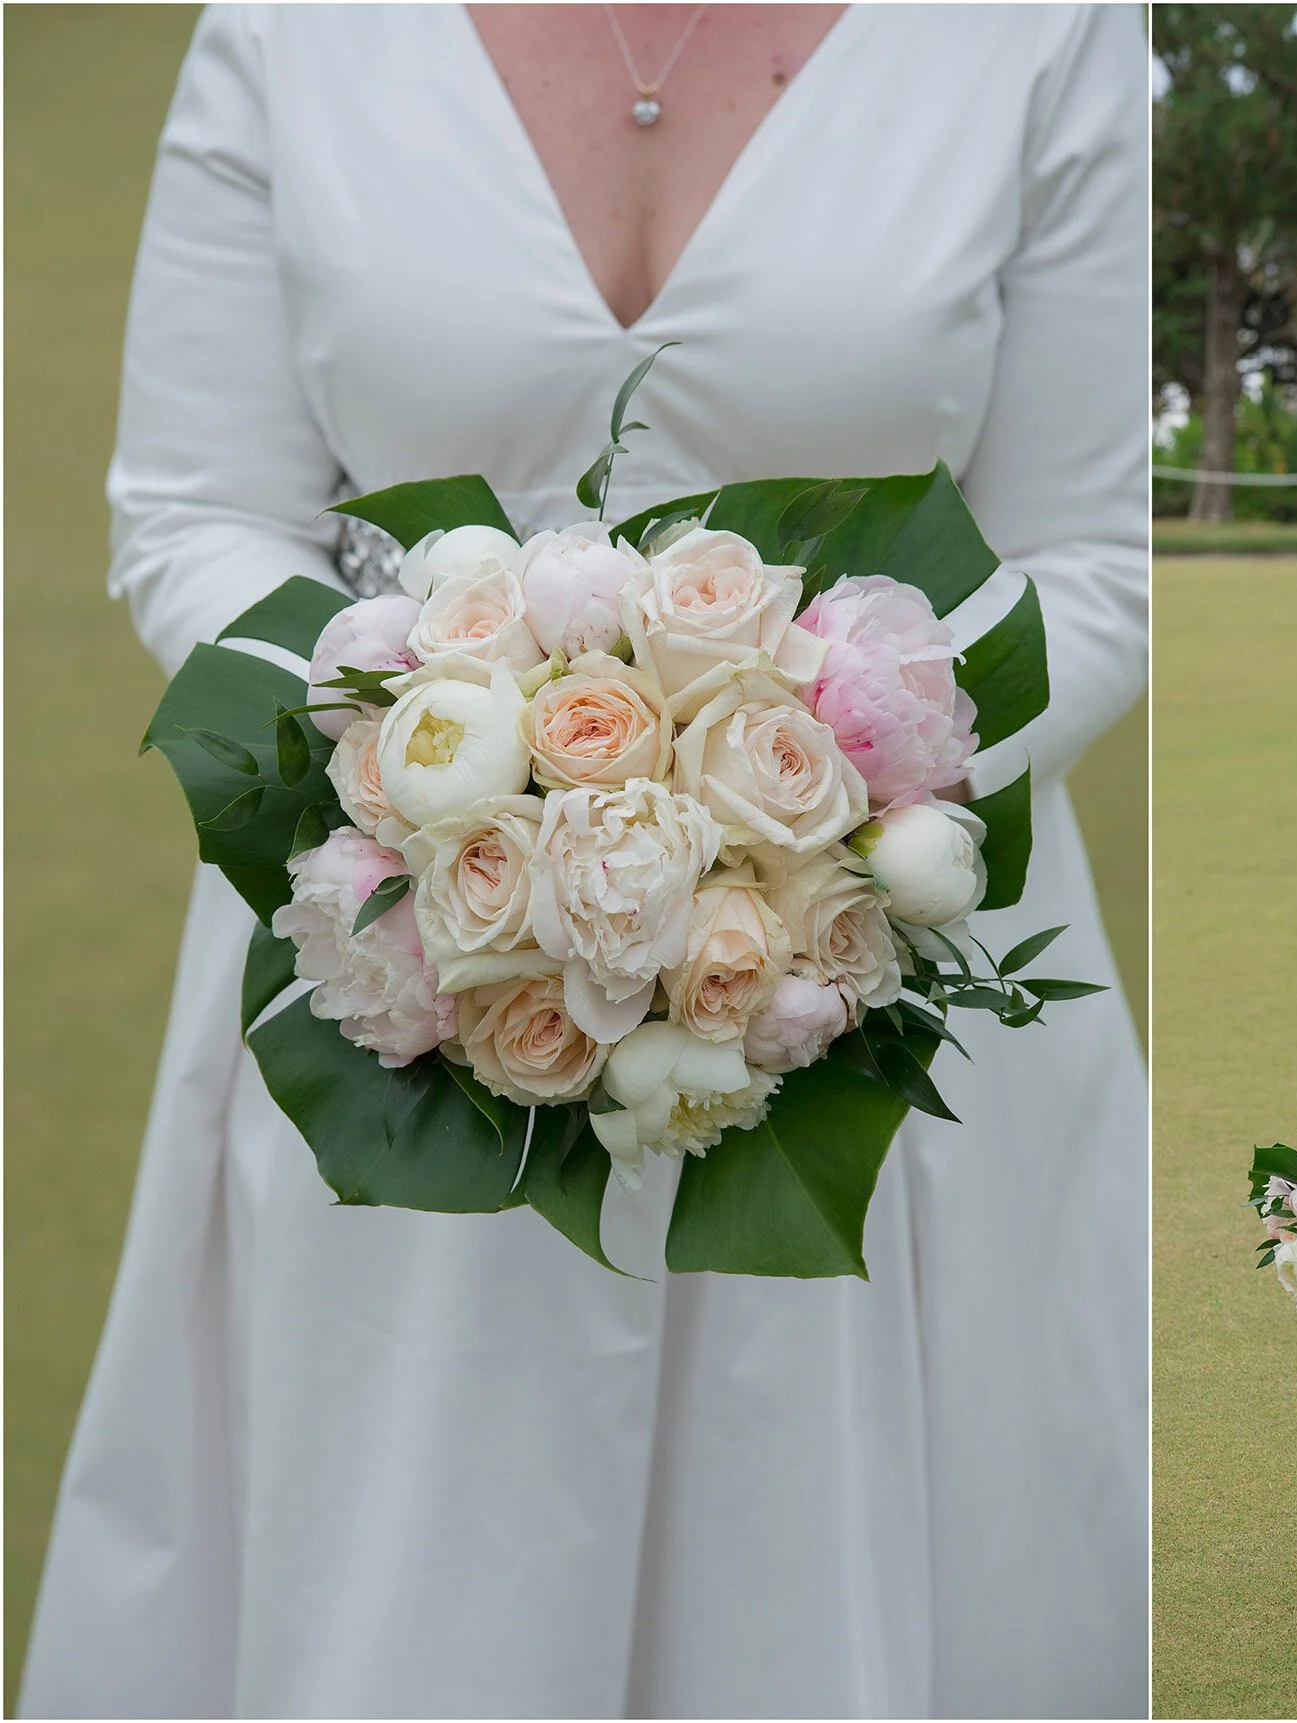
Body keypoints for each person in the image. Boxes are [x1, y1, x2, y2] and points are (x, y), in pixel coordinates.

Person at [20, 6, 1148, 1715]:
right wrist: (431, 760)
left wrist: (799, 816)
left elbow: (1095, 556)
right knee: (406, 1575)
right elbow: (194, 507)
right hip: (403, 950)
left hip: (866, 975)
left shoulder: (1040, 35)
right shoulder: (291, 27)